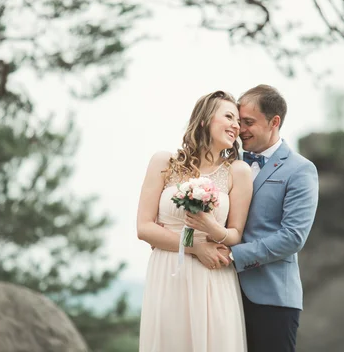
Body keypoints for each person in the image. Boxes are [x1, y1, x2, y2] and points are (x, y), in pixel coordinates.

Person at [136, 90, 253, 352]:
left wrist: (211, 228)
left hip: (212, 276)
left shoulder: (238, 172)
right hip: (169, 272)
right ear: (204, 120)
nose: (236, 125)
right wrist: (194, 247)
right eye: (229, 116)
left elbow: (235, 234)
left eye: (239, 121)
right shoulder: (163, 162)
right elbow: (144, 228)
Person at [228, 84, 319, 352]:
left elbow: (293, 237)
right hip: (224, 294)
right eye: (236, 120)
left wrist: (234, 255)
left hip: (273, 298)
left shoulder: (300, 170)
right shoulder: (230, 165)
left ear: (274, 121)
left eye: (248, 122)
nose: (239, 129)